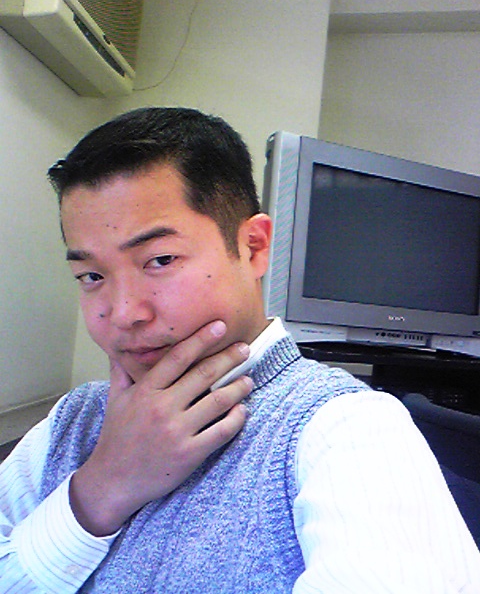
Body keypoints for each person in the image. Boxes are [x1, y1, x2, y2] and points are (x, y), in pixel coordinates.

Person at [0, 107, 479, 593]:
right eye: (91, 276)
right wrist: (101, 489)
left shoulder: (346, 428)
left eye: (160, 260)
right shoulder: (73, 419)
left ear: (253, 246)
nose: (124, 313)